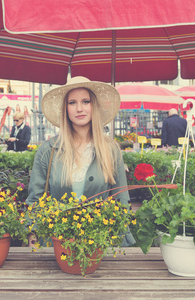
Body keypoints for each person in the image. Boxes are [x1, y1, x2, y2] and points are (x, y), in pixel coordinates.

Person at [26, 76, 134, 246]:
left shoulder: (111, 150)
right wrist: (33, 231)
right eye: (72, 103)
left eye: (85, 101)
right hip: (57, 243)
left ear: (94, 107)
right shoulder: (48, 150)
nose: (79, 108)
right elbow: (35, 199)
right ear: (65, 109)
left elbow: (122, 199)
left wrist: (122, 238)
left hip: (100, 244)